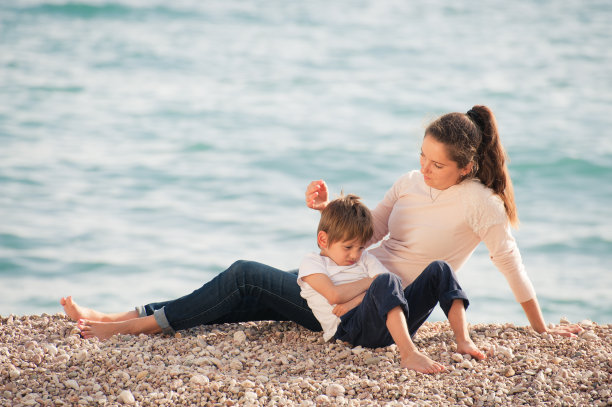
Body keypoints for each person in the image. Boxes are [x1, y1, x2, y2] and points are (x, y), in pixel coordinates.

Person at [61, 105, 583, 340]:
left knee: (245, 275)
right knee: (244, 296)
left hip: (374, 307)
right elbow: (370, 231)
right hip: (346, 275)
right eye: (421, 156)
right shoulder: (409, 183)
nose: (424, 169)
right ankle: (121, 317)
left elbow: (509, 264)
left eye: (437, 164)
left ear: (466, 166)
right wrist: (326, 211)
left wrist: (540, 330)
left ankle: (127, 325)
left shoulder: (481, 204)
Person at [298, 193, 484, 374]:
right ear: (323, 239)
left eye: (361, 247)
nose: (355, 255)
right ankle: (409, 354)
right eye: (348, 247)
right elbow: (334, 295)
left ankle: (463, 340)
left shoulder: (365, 258)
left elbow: (388, 290)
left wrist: (354, 301)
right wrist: (370, 282)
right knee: (386, 280)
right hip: (350, 331)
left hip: (387, 324)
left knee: (440, 269)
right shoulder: (313, 263)